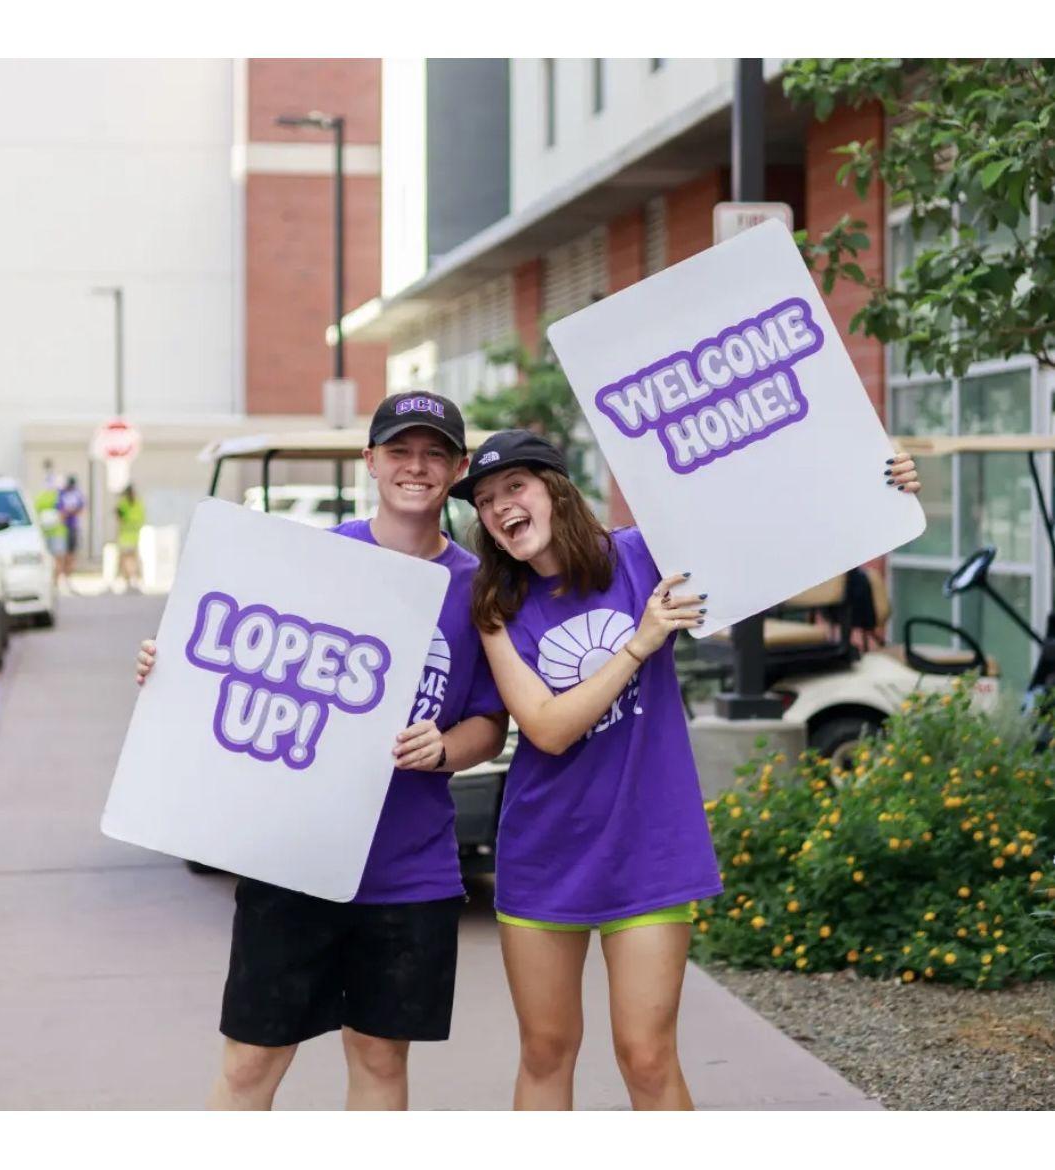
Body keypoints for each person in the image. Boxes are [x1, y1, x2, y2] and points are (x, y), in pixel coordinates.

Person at [450, 429, 922, 1111]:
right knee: (546, 1053)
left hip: (650, 843)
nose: (500, 508)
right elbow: (548, 730)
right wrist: (639, 645)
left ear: (556, 490)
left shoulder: (640, 556)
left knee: (647, 1056)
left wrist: (875, 482)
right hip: (546, 848)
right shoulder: (497, 607)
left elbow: (764, 528)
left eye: (514, 488)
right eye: (486, 500)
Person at [134, 393, 507, 1110]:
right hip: (293, 856)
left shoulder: (479, 587)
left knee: (379, 1063)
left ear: (458, 469)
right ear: (371, 462)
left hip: (408, 871)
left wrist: (447, 746)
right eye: (400, 451)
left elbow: (491, 719)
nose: (416, 468)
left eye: (434, 454)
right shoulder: (312, 560)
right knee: (250, 1063)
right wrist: (169, 667)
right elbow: (228, 656)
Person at [33, 463, 67, 586]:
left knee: (49, 559)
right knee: (58, 558)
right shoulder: (59, 496)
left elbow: (35, 514)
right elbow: (63, 513)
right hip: (57, 532)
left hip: (45, 532)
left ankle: (51, 582)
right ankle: (56, 581)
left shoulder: (40, 497)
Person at [114, 484, 146, 592]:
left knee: (127, 559)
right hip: (132, 535)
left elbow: (119, 517)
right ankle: (132, 580)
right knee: (131, 559)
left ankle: (130, 581)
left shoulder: (124, 503)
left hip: (126, 535)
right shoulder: (137, 503)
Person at [57, 474, 86, 584]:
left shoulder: (77, 494)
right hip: (61, 528)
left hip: (72, 526)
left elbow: (80, 509)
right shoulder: (61, 494)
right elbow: (60, 511)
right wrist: (68, 512)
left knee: (71, 553)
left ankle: (68, 577)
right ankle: (60, 577)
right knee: (60, 554)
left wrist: (70, 511)